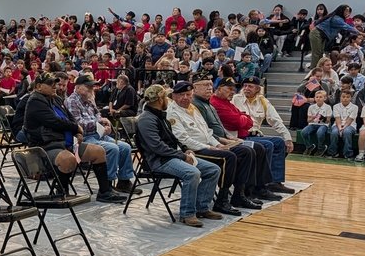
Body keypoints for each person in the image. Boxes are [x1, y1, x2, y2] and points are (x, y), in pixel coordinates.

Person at [23, 72, 123, 203]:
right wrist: (76, 128)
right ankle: (61, 190)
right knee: (68, 159)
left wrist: (78, 132)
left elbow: (70, 118)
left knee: (99, 152)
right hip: (45, 145)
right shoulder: (35, 101)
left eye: (55, 82)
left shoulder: (56, 98)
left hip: (65, 142)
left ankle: (105, 192)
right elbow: (54, 121)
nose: (54, 85)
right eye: (50, 83)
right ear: (38, 86)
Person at [136, 84, 221, 228]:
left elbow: (173, 138)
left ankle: (202, 207)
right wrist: (181, 155)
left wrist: (185, 149)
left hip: (171, 156)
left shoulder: (160, 115)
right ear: (159, 99)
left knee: (213, 169)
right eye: (165, 97)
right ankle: (187, 214)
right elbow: (157, 147)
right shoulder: (147, 119)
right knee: (192, 173)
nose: (168, 100)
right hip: (158, 160)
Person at [166, 80, 244, 215]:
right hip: (192, 150)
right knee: (229, 158)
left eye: (188, 95)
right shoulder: (172, 112)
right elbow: (183, 139)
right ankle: (222, 200)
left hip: (206, 146)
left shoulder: (193, 108)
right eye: (182, 95)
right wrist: (210, 147)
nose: (186, 98)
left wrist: (217, 144)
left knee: (242, 151)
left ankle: (241, 193)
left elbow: (207, 132)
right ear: (174, 96)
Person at [65, 73, 139, 196]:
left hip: (99, 135)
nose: (91, 89)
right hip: (83, 138)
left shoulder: (88, 100)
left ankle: (124, 181)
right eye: (87, 86)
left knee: (125, 147)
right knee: (112, 149)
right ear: (77, 87)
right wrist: (98, 124)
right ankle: (107, 185)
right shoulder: (71, 101)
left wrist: (105, 125)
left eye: (91, 86)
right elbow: (78, 124)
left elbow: (98, 115)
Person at [232, 77, 295, 194]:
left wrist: (288, 138)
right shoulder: (235, 99)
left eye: (250, 86)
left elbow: (276, 121)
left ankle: (275, 182)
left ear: (257, 89)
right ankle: (260, 183)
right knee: (268, 145)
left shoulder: (263, 101)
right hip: (241, 136)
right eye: (245, 86)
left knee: (279, 142)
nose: (246, 88)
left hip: (256, 135)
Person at [328, 88, 358, 159]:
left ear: (351, 98)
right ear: (340, 97)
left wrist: (343, 128)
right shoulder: (336, 106)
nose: (345, 99)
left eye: (348, 97)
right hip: (337, 125)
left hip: (350, 125)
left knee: (347, 132)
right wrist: (339, 128)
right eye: (343, 97)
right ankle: (332, 152)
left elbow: (350, 120)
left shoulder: (355, 107)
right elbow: (337, 118)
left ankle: (348, 154)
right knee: (334, 132)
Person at [300, 89, 331, 156]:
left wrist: (323, 118)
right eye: (317, 97)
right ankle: (309, 147)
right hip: (313, 124)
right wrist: (313, 117)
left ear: (324, 98)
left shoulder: (328, 107)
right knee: (303, 132)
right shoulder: (311, 107)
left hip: (323, 124)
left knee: (320, 132)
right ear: (314, 98)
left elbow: (328, 121)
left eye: (320, 97)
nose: (318, 98)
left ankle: (320, 148)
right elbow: (308, 120)